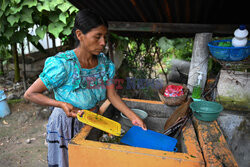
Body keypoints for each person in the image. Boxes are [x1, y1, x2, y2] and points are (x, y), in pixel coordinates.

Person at [24, 9, 147, 167]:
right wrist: (60, 104)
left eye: (104, 37)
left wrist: (132, 117)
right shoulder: (63, 64)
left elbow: (112, 95)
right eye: (97, 37)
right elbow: (30, 94)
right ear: (80, 35)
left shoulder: (104, 64)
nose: (103, 42)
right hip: (66, 124)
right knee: (67, 161)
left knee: (87, 161)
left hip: (92, 121)